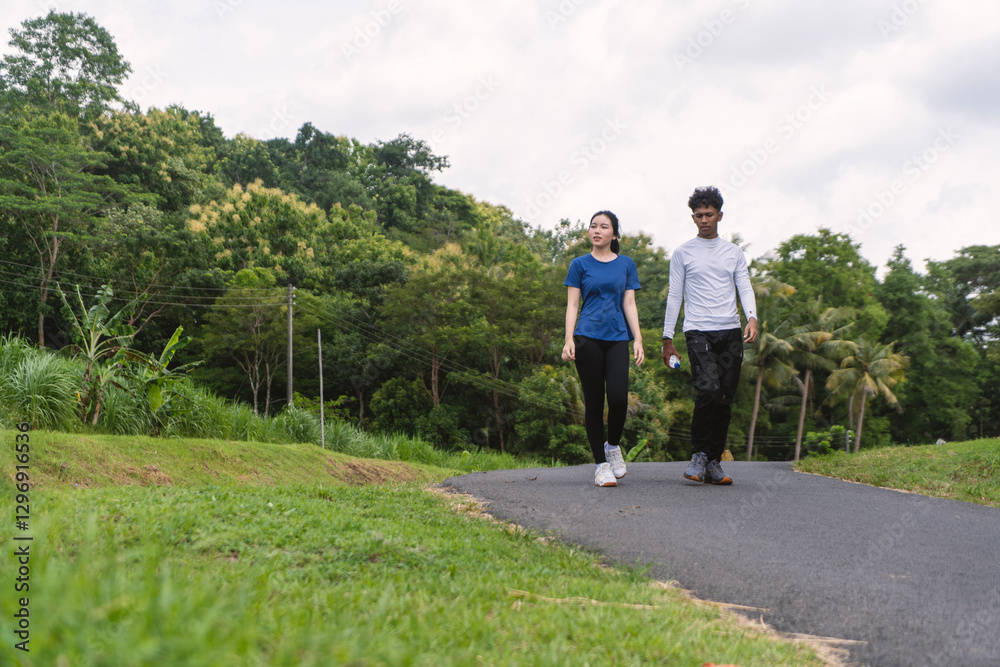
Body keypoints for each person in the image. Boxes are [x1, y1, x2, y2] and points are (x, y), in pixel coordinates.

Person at [661, 186, 758, 485]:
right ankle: (699, 455)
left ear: (719, 215)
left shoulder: (733, 253)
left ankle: (715, 462)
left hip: (729, 330)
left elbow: (744, 286)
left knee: (725, 396)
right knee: (709, 390)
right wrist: (667, 339)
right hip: (698, 329)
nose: (704, 220)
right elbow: (675, 295)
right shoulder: (683, 253)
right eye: (699, 216)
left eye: (709, 215)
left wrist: (752, 316)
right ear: (693, 218)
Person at [562, 211, 644, 487]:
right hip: (587, 336)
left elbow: (629, 304)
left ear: (614, 234)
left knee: (619, 398)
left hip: (618, 337)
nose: (597, 230)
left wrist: (639, 339)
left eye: (604, 227)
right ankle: (600, 466)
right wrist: (568, 338)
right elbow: (573, 304)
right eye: (593, 226)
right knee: (594, 402)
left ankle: (613, 446)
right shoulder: (579, 264)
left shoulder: (626, 264)